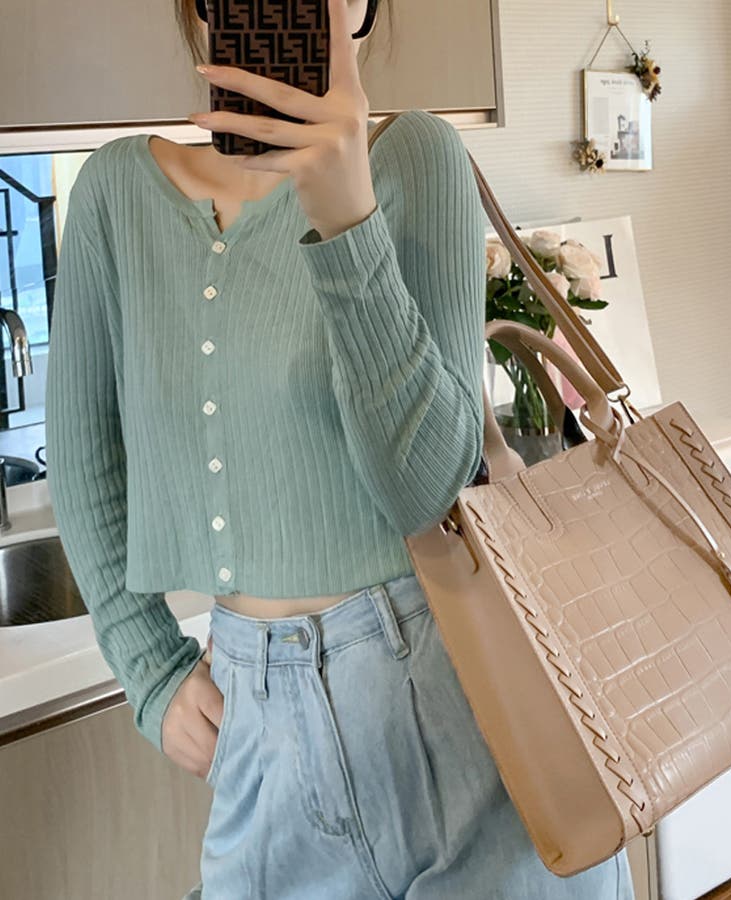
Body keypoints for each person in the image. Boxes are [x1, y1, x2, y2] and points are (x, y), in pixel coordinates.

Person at [44, 0, 636, 897]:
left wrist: (346, 215)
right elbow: (86, 459)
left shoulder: (417, 156)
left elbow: (430, 488)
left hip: (454, 690)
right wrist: (149, 666)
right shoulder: (112, 196)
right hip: (257, 732)